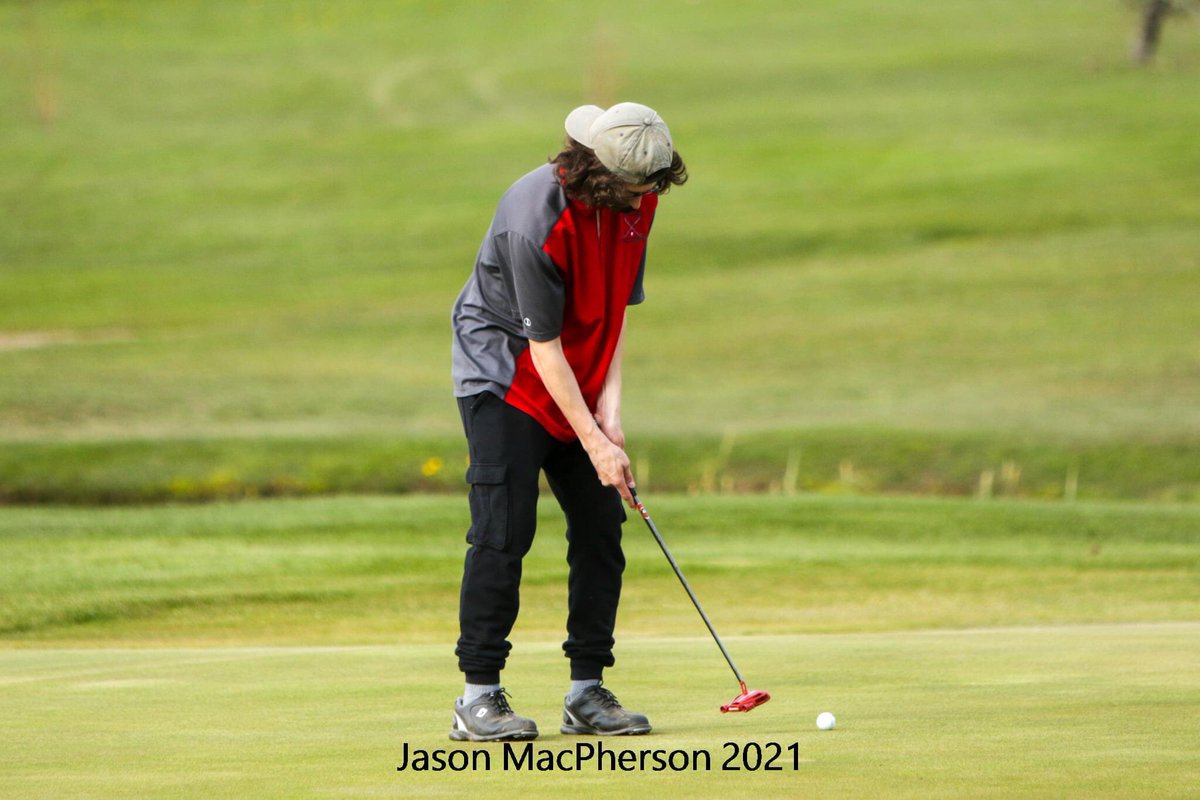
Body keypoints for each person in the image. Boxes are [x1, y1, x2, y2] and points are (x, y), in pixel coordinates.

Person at [448, 102, 687, 741]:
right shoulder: (534, 222)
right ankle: (478, 696)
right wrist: (594, 443)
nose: (645, 199)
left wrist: (611, 412)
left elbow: (616, 308)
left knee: (601, 526)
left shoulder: (638, 200)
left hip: (577, 374)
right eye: (635, 188)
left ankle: (586, 692)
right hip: (506, 377)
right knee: (504, 529)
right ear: (600, 174)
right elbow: (542, 348)